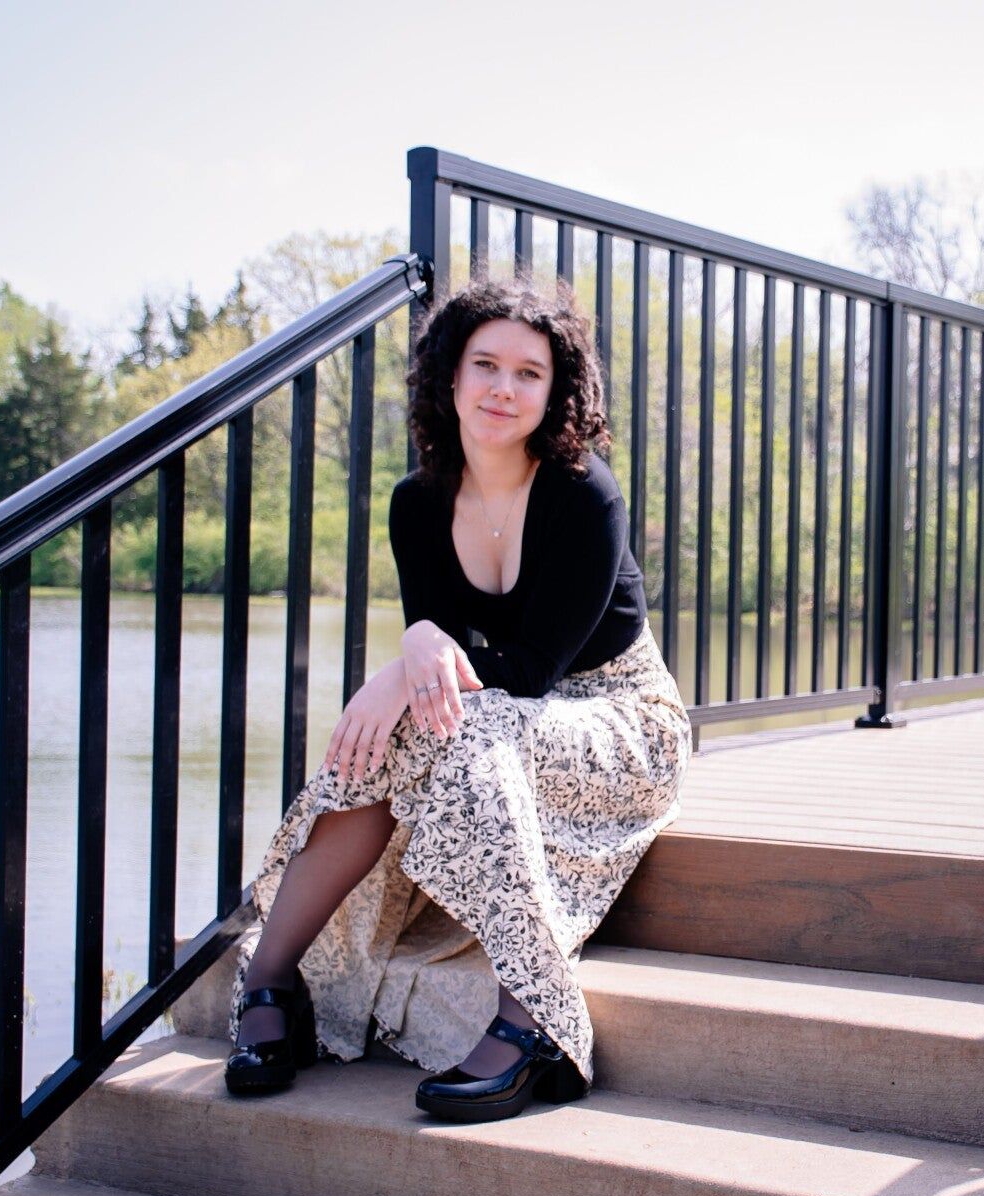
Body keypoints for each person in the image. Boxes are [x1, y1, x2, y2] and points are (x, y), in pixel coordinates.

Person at [223, 275, 690, 1123]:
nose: (504, 389)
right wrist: (413, 657)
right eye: (485, 365)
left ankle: (532, 1020)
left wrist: (407, 664)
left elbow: (532, 669)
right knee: (401, 736)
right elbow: (446, 668)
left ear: (557, 392)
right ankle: (271, 980)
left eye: (528, 373)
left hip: (621, 723)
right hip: (495, 714)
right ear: (450, 377)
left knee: (464, 725)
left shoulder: (584, 493)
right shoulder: (417, 504)